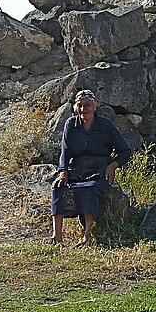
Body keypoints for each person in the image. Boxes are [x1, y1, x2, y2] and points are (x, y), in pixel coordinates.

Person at [49, 90, 132, 246]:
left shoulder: (106, 125)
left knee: (89, 189)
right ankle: (57, 236)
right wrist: (63, 172)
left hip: (98, 171)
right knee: (58, 188)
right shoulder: (71, 124)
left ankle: (87, 236)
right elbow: (65, 151)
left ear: (95, 106)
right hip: (76, 170)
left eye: (87, 105)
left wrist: (112, 166)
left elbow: (125, 151)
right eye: (79, 106)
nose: (83, 109)